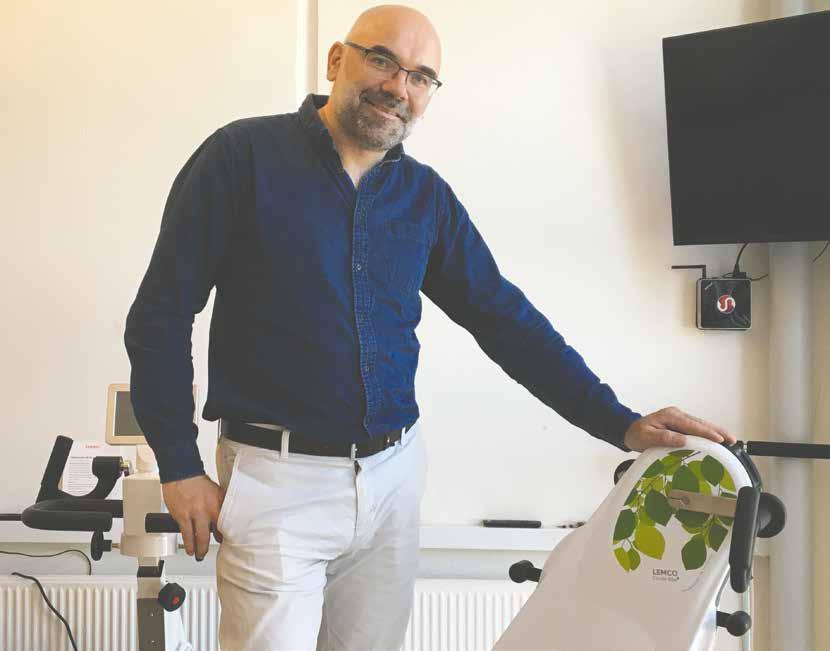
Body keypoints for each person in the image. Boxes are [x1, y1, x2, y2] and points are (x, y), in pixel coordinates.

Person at [124, 4, 737, 650]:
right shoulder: (240, 158)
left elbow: (505, 319)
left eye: (420, 77)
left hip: (392, 479)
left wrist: (620, 422)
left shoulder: (426, 199)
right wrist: (179, 464)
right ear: (337, 60)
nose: (398, 87)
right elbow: (160, 317)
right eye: (382, 61)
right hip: (276, 485)